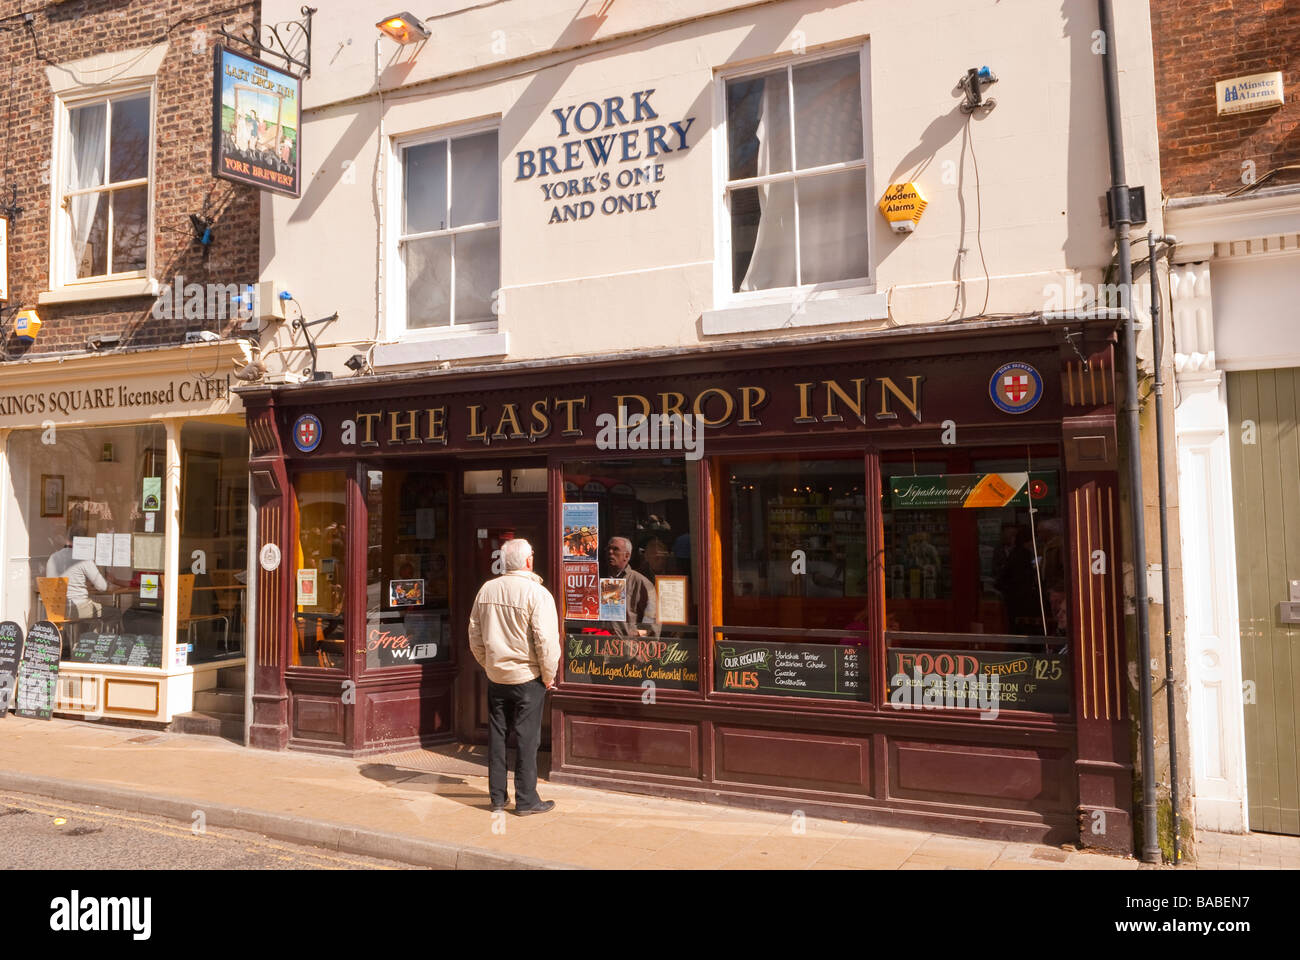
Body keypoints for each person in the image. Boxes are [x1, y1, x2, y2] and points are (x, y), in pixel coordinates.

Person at [467, 538, 560, 816]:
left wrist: (489, 664)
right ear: (529, 561)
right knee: (526, 740)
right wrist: (548, 675)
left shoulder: (487, 589)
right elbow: (546, 641)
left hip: (497, 678)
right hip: (527, 678)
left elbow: (474, 635)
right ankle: (526, 799)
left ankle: (497, 797)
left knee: (497, 737)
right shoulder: (537, 593)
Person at [45, 526, 122, 631]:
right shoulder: (83, 558)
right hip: (77, 607)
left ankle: (86, 641)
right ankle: (96, 643)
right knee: (114, 612)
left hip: (56, 609)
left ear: (67, 538)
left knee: (95, 613)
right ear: (83, 540)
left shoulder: (52, 557)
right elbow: (102, 587)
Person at [600, 536, 658, 638]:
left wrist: (638, 634)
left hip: (627, 648)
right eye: (608, 548)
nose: (610, 552)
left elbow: (652, 616)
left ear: (626, 556)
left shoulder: (640, 582)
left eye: (615, 549)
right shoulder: (597, 579)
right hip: (599, 646)